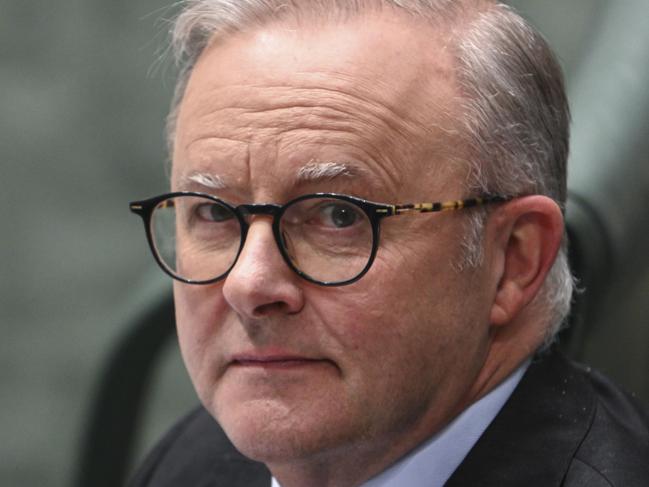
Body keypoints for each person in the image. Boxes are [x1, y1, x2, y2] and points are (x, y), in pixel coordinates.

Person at [128, 0, 649, 485]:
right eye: (215, 212)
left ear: (513, 260)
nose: (249, 284)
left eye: (338, 216)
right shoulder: (195, 461)